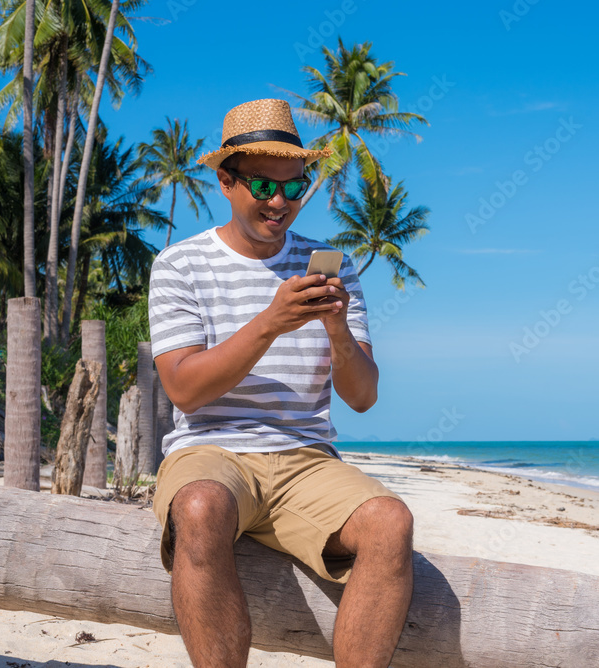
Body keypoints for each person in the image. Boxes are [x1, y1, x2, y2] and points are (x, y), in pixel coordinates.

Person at [147, 98, 414, 668]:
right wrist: (270, 322)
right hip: (211, 450)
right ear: (226, 181)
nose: (280, 203)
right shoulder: (179, 265)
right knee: (198, 507)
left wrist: (337, 328)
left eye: (294, 189)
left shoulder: (332, 269)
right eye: (264, 187)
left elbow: (363, 398)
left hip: (306, 460)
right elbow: (185, 391)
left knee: (391, 522)